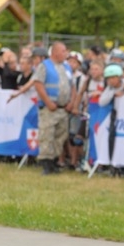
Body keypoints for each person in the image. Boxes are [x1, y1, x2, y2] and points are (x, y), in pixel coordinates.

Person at [33, 41, 77, 175]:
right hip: (49, 109)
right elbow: (38, 84)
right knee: (47, 135)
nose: (66, 54)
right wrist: (47, 102)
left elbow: (73, 86)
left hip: (63, 109)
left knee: (60, 135)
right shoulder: (44, 66)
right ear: (55, 52)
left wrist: (72, 102)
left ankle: (55, 161)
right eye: (63, 51)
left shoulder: (67, 67)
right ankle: (46, 163)